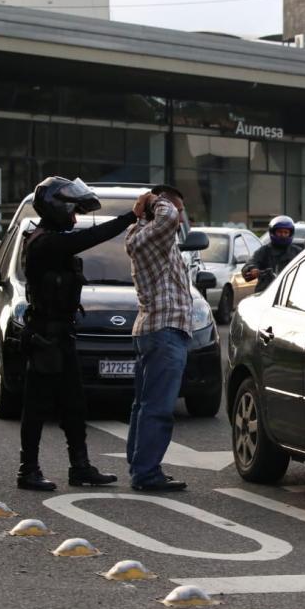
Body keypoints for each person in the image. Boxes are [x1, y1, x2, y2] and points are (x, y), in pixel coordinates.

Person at [17, 177, 138, 491]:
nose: (74, 218)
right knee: (36, 407)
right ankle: (28, 470)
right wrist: (130, 216)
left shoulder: (51, 236)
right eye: (71, 211)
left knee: (74, 404)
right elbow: (92, 237)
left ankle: (80, 467)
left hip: (61, 334)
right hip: (44, 335)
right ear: (56, 208)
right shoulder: (46, 242)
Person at [125, 185, 192, 492]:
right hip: (164, 331)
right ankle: (146, 473)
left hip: (153, 329)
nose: (180, 219)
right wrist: (154, 201)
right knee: (159, 407)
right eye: (179, 211)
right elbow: (165, 218)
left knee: (144, 404)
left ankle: (139, 465)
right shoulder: (154, 235)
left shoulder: (143, 235)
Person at [242, 215, 302, 293]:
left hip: (291, 292)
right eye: (279, 232)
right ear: (273, 232)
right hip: (266, 292)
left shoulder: (297, 252)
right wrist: (252, 269)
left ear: (290, 234)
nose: (282, 235)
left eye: (286, 232)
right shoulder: (264, 251)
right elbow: (251, 263)